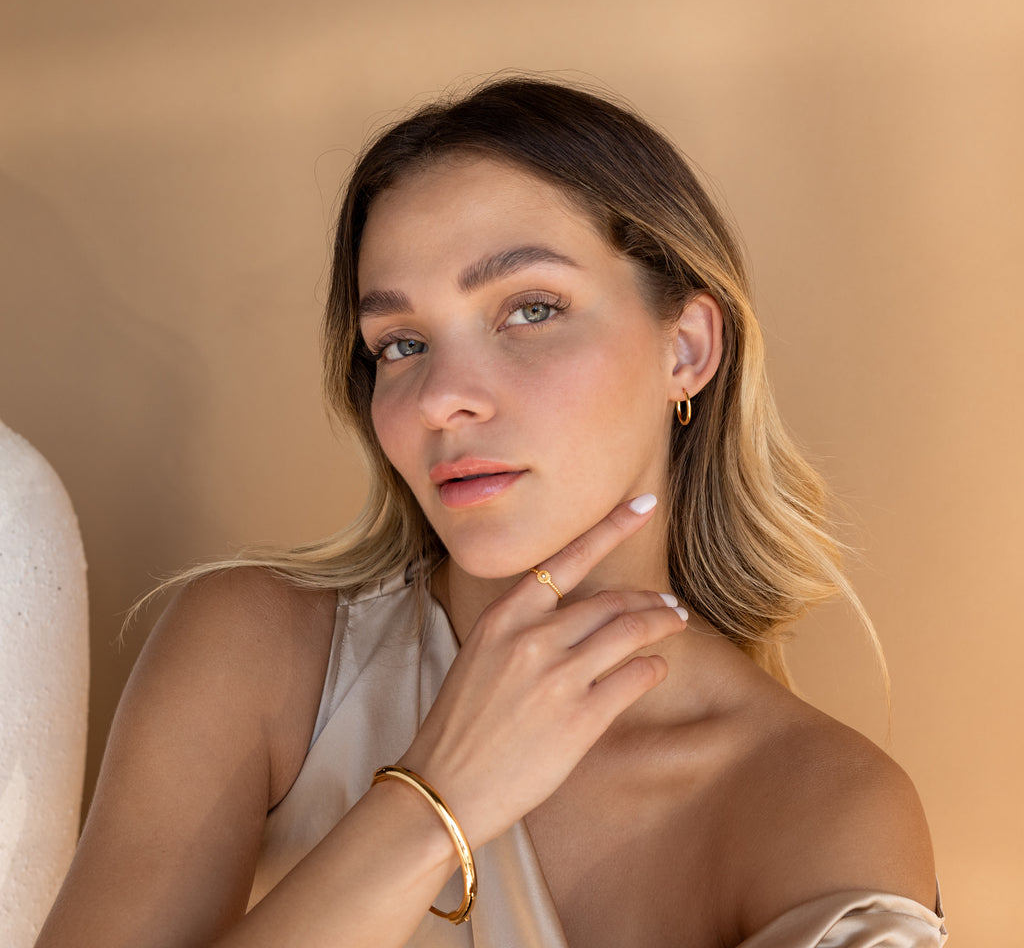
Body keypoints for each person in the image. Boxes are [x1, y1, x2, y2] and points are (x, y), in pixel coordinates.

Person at [36, 77, 946, 947]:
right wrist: (434, 799)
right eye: (400, 343)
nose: (442, 398)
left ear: (688, 348)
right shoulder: (257, 658)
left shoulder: (818, 802)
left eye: (530, 309)